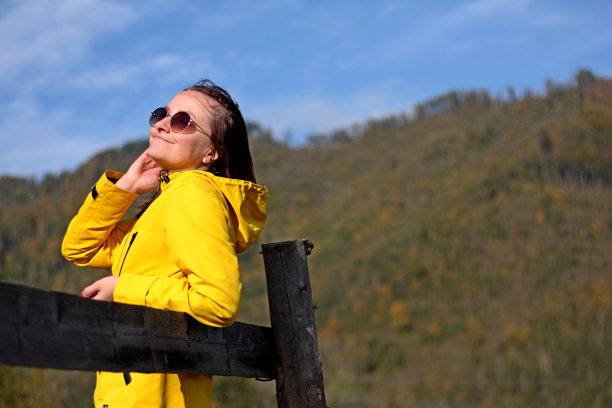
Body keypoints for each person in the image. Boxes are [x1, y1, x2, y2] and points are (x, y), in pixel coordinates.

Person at [61, 80, 268, 408]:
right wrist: (127, 186)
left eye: (182, 121)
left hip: (154, 393)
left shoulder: (192, 194)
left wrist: (123, 289)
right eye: (162, 114)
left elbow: (218, 302)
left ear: (211, 152)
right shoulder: (165, 204)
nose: (160, 124)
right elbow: (79, 247)